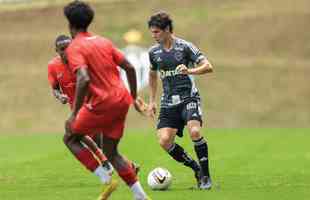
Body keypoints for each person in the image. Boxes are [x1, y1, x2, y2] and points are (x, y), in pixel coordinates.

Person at [63, 1, 150, 200]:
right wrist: (134, 97)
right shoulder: (103, 41)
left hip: (101, 103)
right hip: (121, 100)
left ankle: (105, 178)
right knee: (112, 152)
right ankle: (141, 196)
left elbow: (83, 78)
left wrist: (74, 113)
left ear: (70, 24)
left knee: (70, 136)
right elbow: (129, 67)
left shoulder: (75, 47)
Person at [147, 11, 214, 189]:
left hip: (188, 98)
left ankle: (206, 177)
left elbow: (208, 66)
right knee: (164, 141)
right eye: (152, 32)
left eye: (156, 32)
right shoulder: (153, 52)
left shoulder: (185, 47)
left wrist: (190, 71)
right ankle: (196, 168)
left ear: (167, 29)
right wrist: (152, 101)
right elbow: (152, 75)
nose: (153, 36)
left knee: (194, 132)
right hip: (168, 102)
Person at [47, 34, 115, 186]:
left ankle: (103, 169)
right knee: (96, 140)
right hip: (76, 109)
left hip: (93, 105)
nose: (66, 51)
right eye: (62, 49)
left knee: (70, 135)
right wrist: (60, 96)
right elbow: (54, 89)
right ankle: (126, 167)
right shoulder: (53, 66)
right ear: (56, 50)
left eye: (69, 47)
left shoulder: (82, 61)